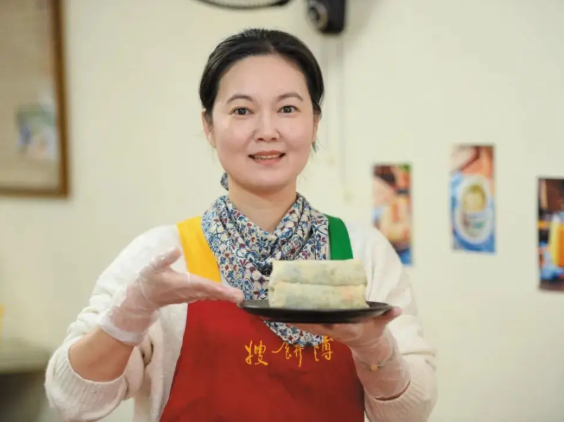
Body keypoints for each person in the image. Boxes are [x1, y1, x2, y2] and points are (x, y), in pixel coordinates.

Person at [44, 28, 437, 422]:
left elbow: (409, 414)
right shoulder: (163, 258)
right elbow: (73, 400)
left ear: (315, 123)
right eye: (242, 111)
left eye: (287, 109)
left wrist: (375, 349)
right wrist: (131, 312)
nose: (267, 131)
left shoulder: (365, 253)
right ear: (209, 126)